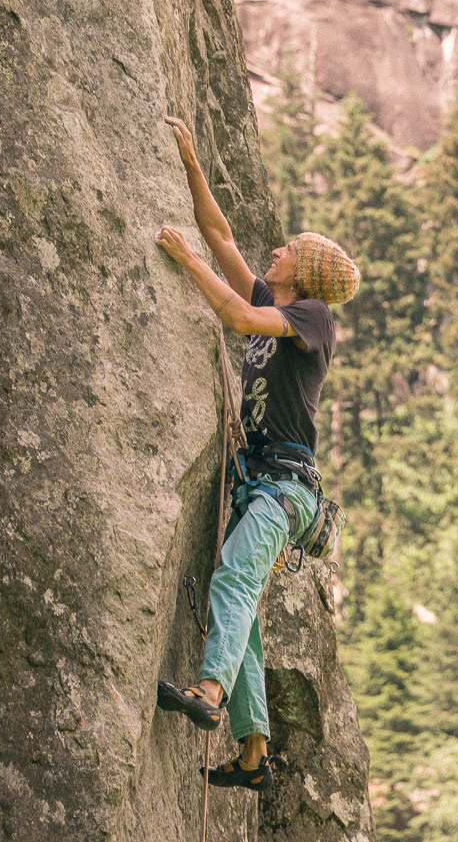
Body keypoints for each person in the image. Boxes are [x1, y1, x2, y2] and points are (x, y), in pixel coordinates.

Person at [153, 115, 359, 792]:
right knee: (243, 606)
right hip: (265, 486)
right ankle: (253, 753)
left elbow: (239, 318)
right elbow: (222, 238)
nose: (276, 249)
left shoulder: (312, 318)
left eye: (288, 248)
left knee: (234, 580)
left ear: (307, 271)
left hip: (284, 489)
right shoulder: (278, 299)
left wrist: (188, 264)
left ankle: (210, 692)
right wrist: (191, 163)